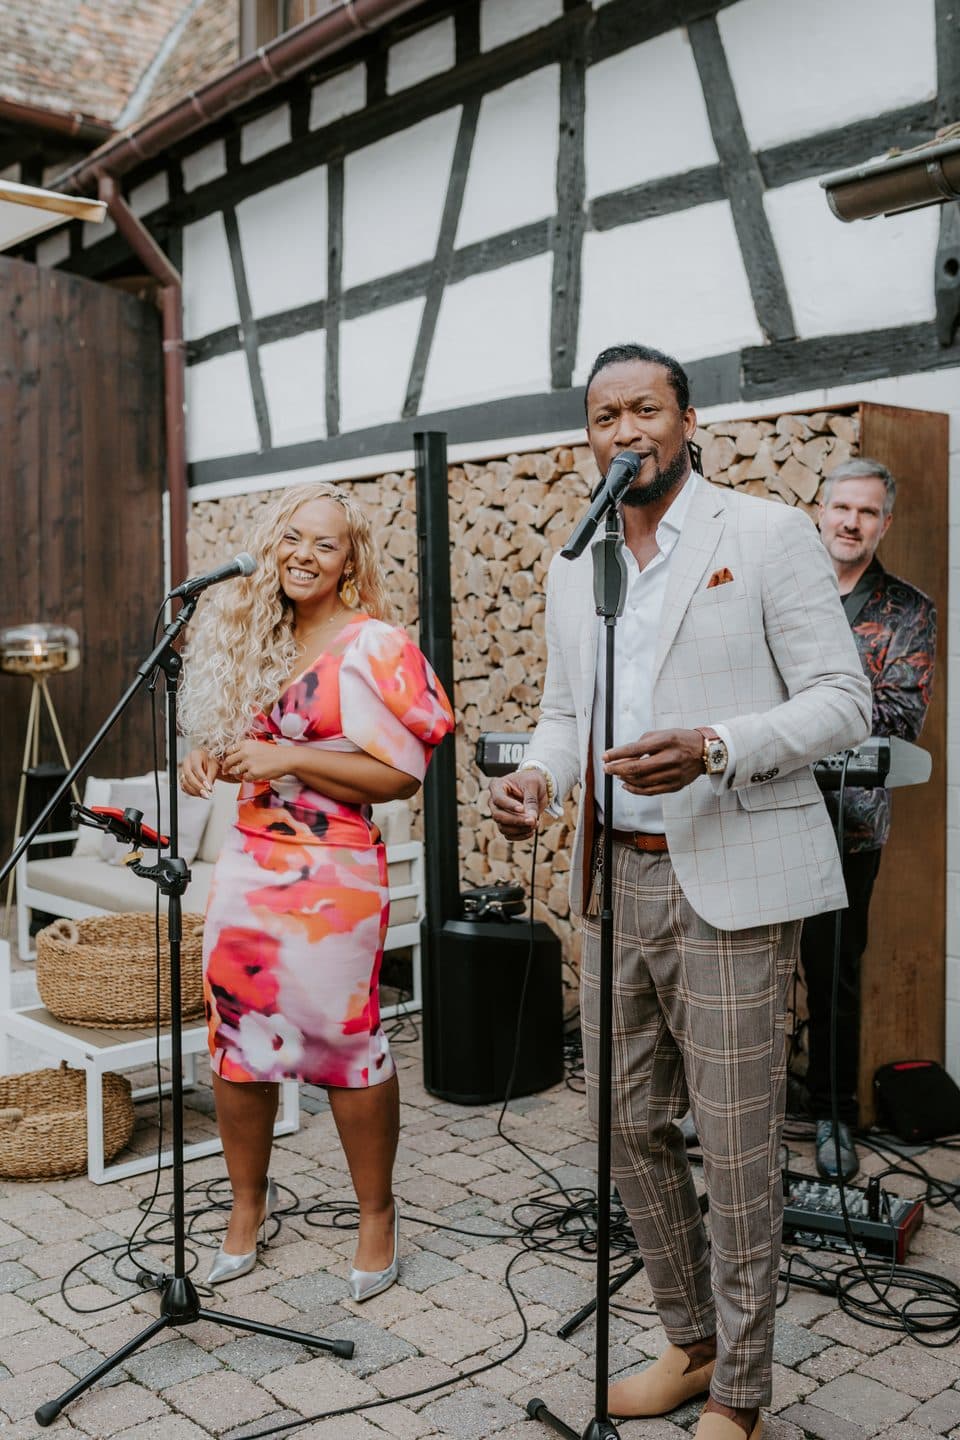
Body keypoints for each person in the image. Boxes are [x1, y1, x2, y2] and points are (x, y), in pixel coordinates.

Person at [489, 343, 871, 1440]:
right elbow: (566, 713)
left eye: (645, 409)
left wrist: (716, 746)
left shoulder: (765, 533)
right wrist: (539, 778)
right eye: (605, 416)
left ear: (688, 420)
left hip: (731, 879)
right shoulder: (577, 561)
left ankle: (743, 1394)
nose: (625, 431)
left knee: (739, 1144)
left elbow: (844, 699)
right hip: (616, 876)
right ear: (589, 436)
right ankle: (691, 1341)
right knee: (622, 1123)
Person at [179, 481, 454, 1298]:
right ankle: (246, 1209)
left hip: (333, 874)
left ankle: (376, 1216)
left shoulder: (374, 644)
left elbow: (401, 776)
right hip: (249, 864)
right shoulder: (252, 634)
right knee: (237, 1039)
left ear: (349, 562)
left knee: (344, 1041)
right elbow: (243, 748)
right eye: (292, 537)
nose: (304, 554)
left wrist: (292, 757)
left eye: (324, 544)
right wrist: (210, 757)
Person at [802, 458, 936, 1181]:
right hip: (762, 808)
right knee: (748, 968)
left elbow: (900, 716)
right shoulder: (787, 591)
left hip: (846, 825)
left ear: (885, 523)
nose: (851, 522)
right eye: (842, 507)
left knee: (833, 978)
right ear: (821, 511)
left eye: (867, 512)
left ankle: (833, 1116)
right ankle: (733, 1107)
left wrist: (796, 720)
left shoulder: (909, 609)